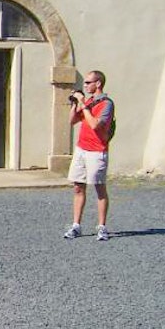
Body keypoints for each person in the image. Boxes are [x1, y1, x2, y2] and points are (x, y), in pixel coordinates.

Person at [64, 70, 115, 241]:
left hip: (97, 151)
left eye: (88, 82)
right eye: (84, 83)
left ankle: (102, 226)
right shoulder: (89, 101)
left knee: (99, 188)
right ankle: (76, 225)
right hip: (82, 149)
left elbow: (94, 124)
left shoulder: (106, 104)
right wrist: (74, 104)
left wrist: (83, 104)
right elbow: (72, 121)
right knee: (78, 187)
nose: (85, 86)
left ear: (98, 83)